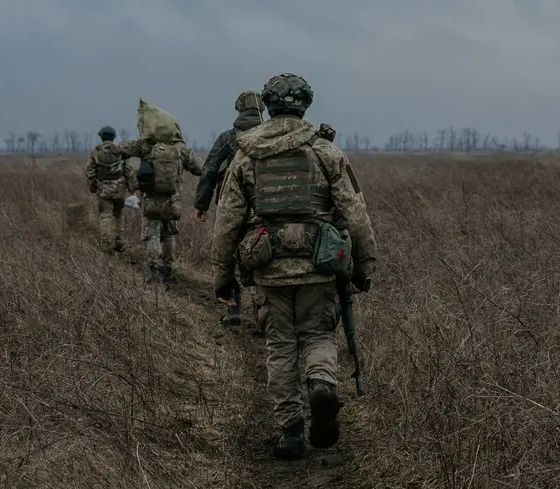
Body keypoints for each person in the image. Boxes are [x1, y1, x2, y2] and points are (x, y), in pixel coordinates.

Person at [209, 73, 377, 460]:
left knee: (279, 346)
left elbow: (227, 223)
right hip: (320, 266)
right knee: (319, 336)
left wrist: (223, 278)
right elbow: (355, 212)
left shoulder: (246, 154)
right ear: (305, 105)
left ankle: (290, 433)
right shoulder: (325, 151)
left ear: (268, 106)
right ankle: (321, 382)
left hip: (268, 268)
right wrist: (362, 267)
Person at [193, 90, 265, 327]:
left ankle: (233, 307)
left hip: (231, 205)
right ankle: (263, 313)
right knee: (261, 253)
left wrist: (201, 205)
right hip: (264, 206)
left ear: (239, 110)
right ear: (262, 110)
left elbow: (210, 170)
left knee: (228, 253)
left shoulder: (227, 138)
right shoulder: (271, 135)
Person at [117, 102, 203, 283]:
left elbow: (120, 149)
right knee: (169, 235)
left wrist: (129, 172)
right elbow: (199, 169)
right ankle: (169, 268)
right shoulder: (181, 149)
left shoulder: (145, 146)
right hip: (172, 200)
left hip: (150, 199)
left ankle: (155, 270)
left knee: (152, 235)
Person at [84, 125, 134, 254]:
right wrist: (132, 187)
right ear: (113, 137)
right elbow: (128, 170)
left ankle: (106, 245)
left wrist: (93, 186)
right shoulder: (120, 151)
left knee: (105, 216)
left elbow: (89, 171)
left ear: (101, 137)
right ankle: (119, 241)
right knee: (118, 215)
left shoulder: (96, 152)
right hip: (119, 190)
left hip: (103, 190)